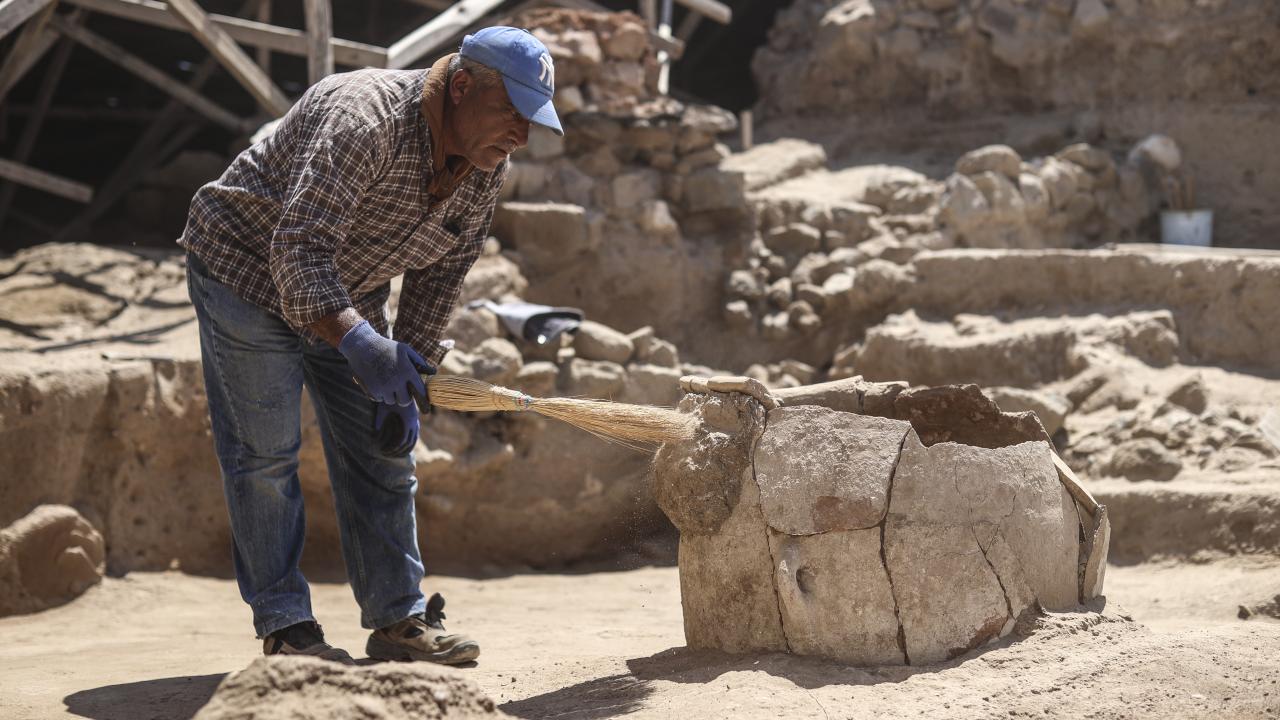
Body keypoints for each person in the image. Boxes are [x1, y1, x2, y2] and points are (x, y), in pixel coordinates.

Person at [178, 26, 562, 665]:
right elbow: (296, 251)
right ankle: (287, 630)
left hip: (345, 285)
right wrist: (359, 342)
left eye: (532, 121)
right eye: (512, 114)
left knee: (383, 453)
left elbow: (441, 274)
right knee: (264, 455)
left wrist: (411, 368)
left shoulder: (486, 165)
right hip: (244, 269)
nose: (521, 135)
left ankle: (398, 620)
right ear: (461, 86)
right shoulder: (366, 122)